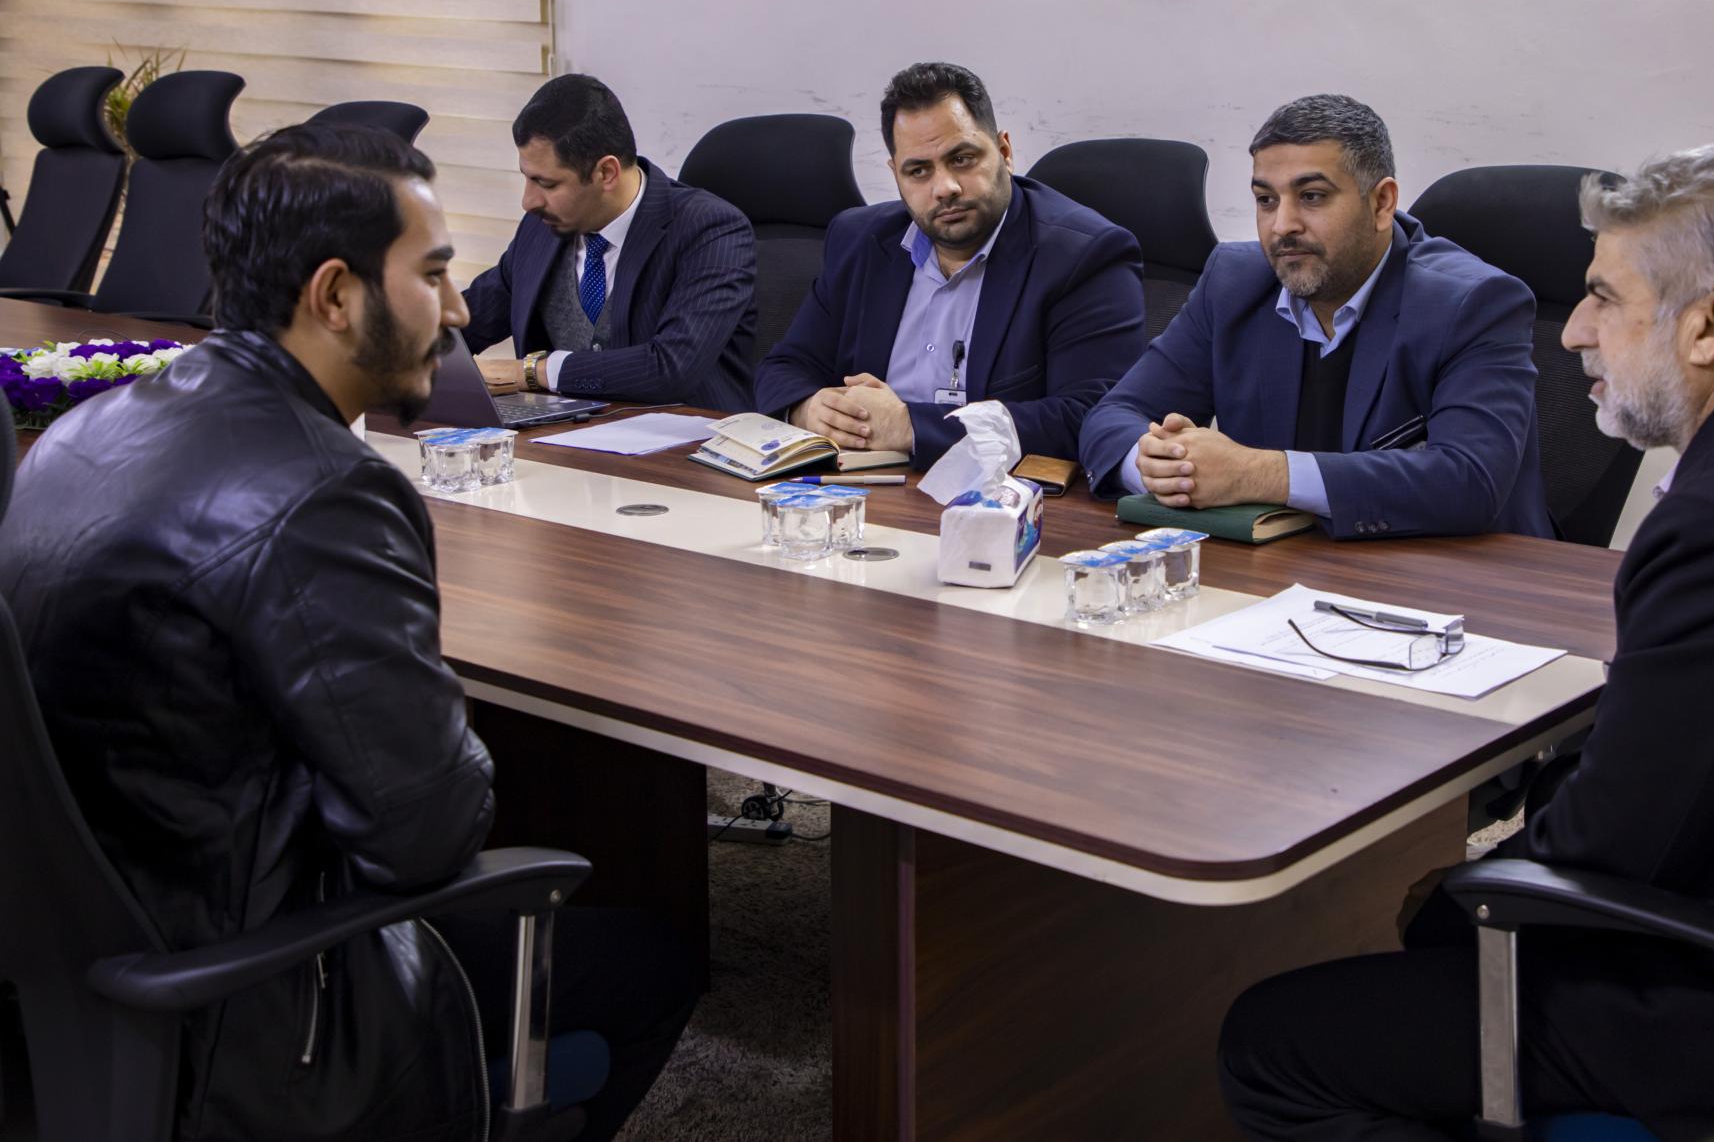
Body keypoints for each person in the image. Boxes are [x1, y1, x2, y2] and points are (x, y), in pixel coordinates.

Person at [1216, 143, 1714, 1139]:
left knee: (1271, 1042)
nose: (1574, 331)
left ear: (1710, 323)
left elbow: (1609, 848)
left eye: (1602, 297)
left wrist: (1453, 902)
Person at [0, 124, 696, 1142]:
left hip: (80, 983)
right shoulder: (325, 492)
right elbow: (430, 837)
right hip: (270, 1023)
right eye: (434, 275)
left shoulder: (80, 433)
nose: (460, 313)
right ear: (335, 296)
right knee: (652, 963)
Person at [1077, 93, 1552, 538]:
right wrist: (1161, 466)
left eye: (1312, 196)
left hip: (1456, 579)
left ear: (1382, 203)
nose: (1282, 226)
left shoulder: (1473, 303)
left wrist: (1258, 474)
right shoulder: (1234, 282)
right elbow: (1113, 417)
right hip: (1282, 569)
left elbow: (1468, 480)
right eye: (1266, 200)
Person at [754, 61, 1144, 464]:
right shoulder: (860, 240)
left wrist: (910, 427)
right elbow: (785, 366)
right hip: (859, 482)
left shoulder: (1082, 256)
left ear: (1005, 152)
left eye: (962, 159)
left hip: (995, 492)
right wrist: (809, 408)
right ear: (896, 174)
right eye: (918, 170)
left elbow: (1089, 418)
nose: (945, 188)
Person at [464, 73, 756, 409]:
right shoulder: (541, 227)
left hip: (687, 438)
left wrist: (531, 372)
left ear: (606, 173)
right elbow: (465, 323)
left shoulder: (711, 231)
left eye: (547, 184)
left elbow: (670, 367)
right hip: (559, 438)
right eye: (527, 178)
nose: (528, 201)